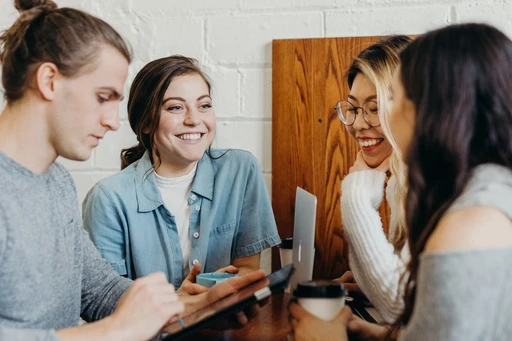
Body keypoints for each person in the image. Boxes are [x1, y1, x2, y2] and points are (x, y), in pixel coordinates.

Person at [0, 1, 266, 340]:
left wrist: (187, 307)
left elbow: (97, 290)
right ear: (49, 80)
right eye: (102, 97)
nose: (113, 121)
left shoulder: (57, 182)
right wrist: (116, 331)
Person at [290, 22, 512, 341]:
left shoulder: (468, 224)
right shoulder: (484, 190)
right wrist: (386, 336)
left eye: (393, 99)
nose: (367, 122)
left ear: (436, 109)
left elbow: (403, 307)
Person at [82, 55, 280, 292]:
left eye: (204, 105)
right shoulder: (108, 199)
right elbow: (106, 300)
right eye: (175, 107)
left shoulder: (240, 170)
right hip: (152, 329)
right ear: (145, 122)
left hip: (226, 325)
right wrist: (183, 303)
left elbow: (248, 268)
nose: (194, 120)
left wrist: (222, 287)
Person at [334, 35, 412, 323]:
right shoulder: (400, 181)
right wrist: (368, 283)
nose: (357, 124)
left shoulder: (436, 183)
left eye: (375, 108)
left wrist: (356, 195)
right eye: (353, 108)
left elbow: (399, 307)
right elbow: (408, 300)